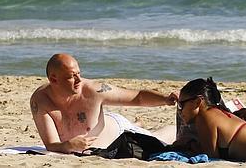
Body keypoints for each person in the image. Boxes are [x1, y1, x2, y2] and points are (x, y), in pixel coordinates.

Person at [30, 53, 178, 153]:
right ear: (54, 79)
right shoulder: (41, 101)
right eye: (71, 77)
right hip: (103, 123)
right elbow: (51, 145)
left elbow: (137, 97)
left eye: (79, 74)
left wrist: (164, 99)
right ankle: (136, 123)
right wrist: (68, 145)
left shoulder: (93, 91)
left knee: (157, 137)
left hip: (118, 130)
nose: (79, 80)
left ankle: (139, 126)